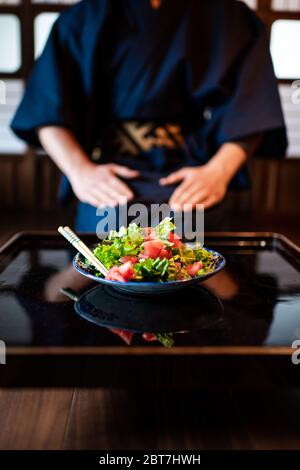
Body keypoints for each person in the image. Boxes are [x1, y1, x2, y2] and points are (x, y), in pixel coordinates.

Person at [11, 0, 287, 231]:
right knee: (107, 241)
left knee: (196, 238)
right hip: (111, 173)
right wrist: (80, 171)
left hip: (192, 170)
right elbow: (46, 106)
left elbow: (252, 105)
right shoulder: (83, 18)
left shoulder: (230, 16)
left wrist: (217, 172)